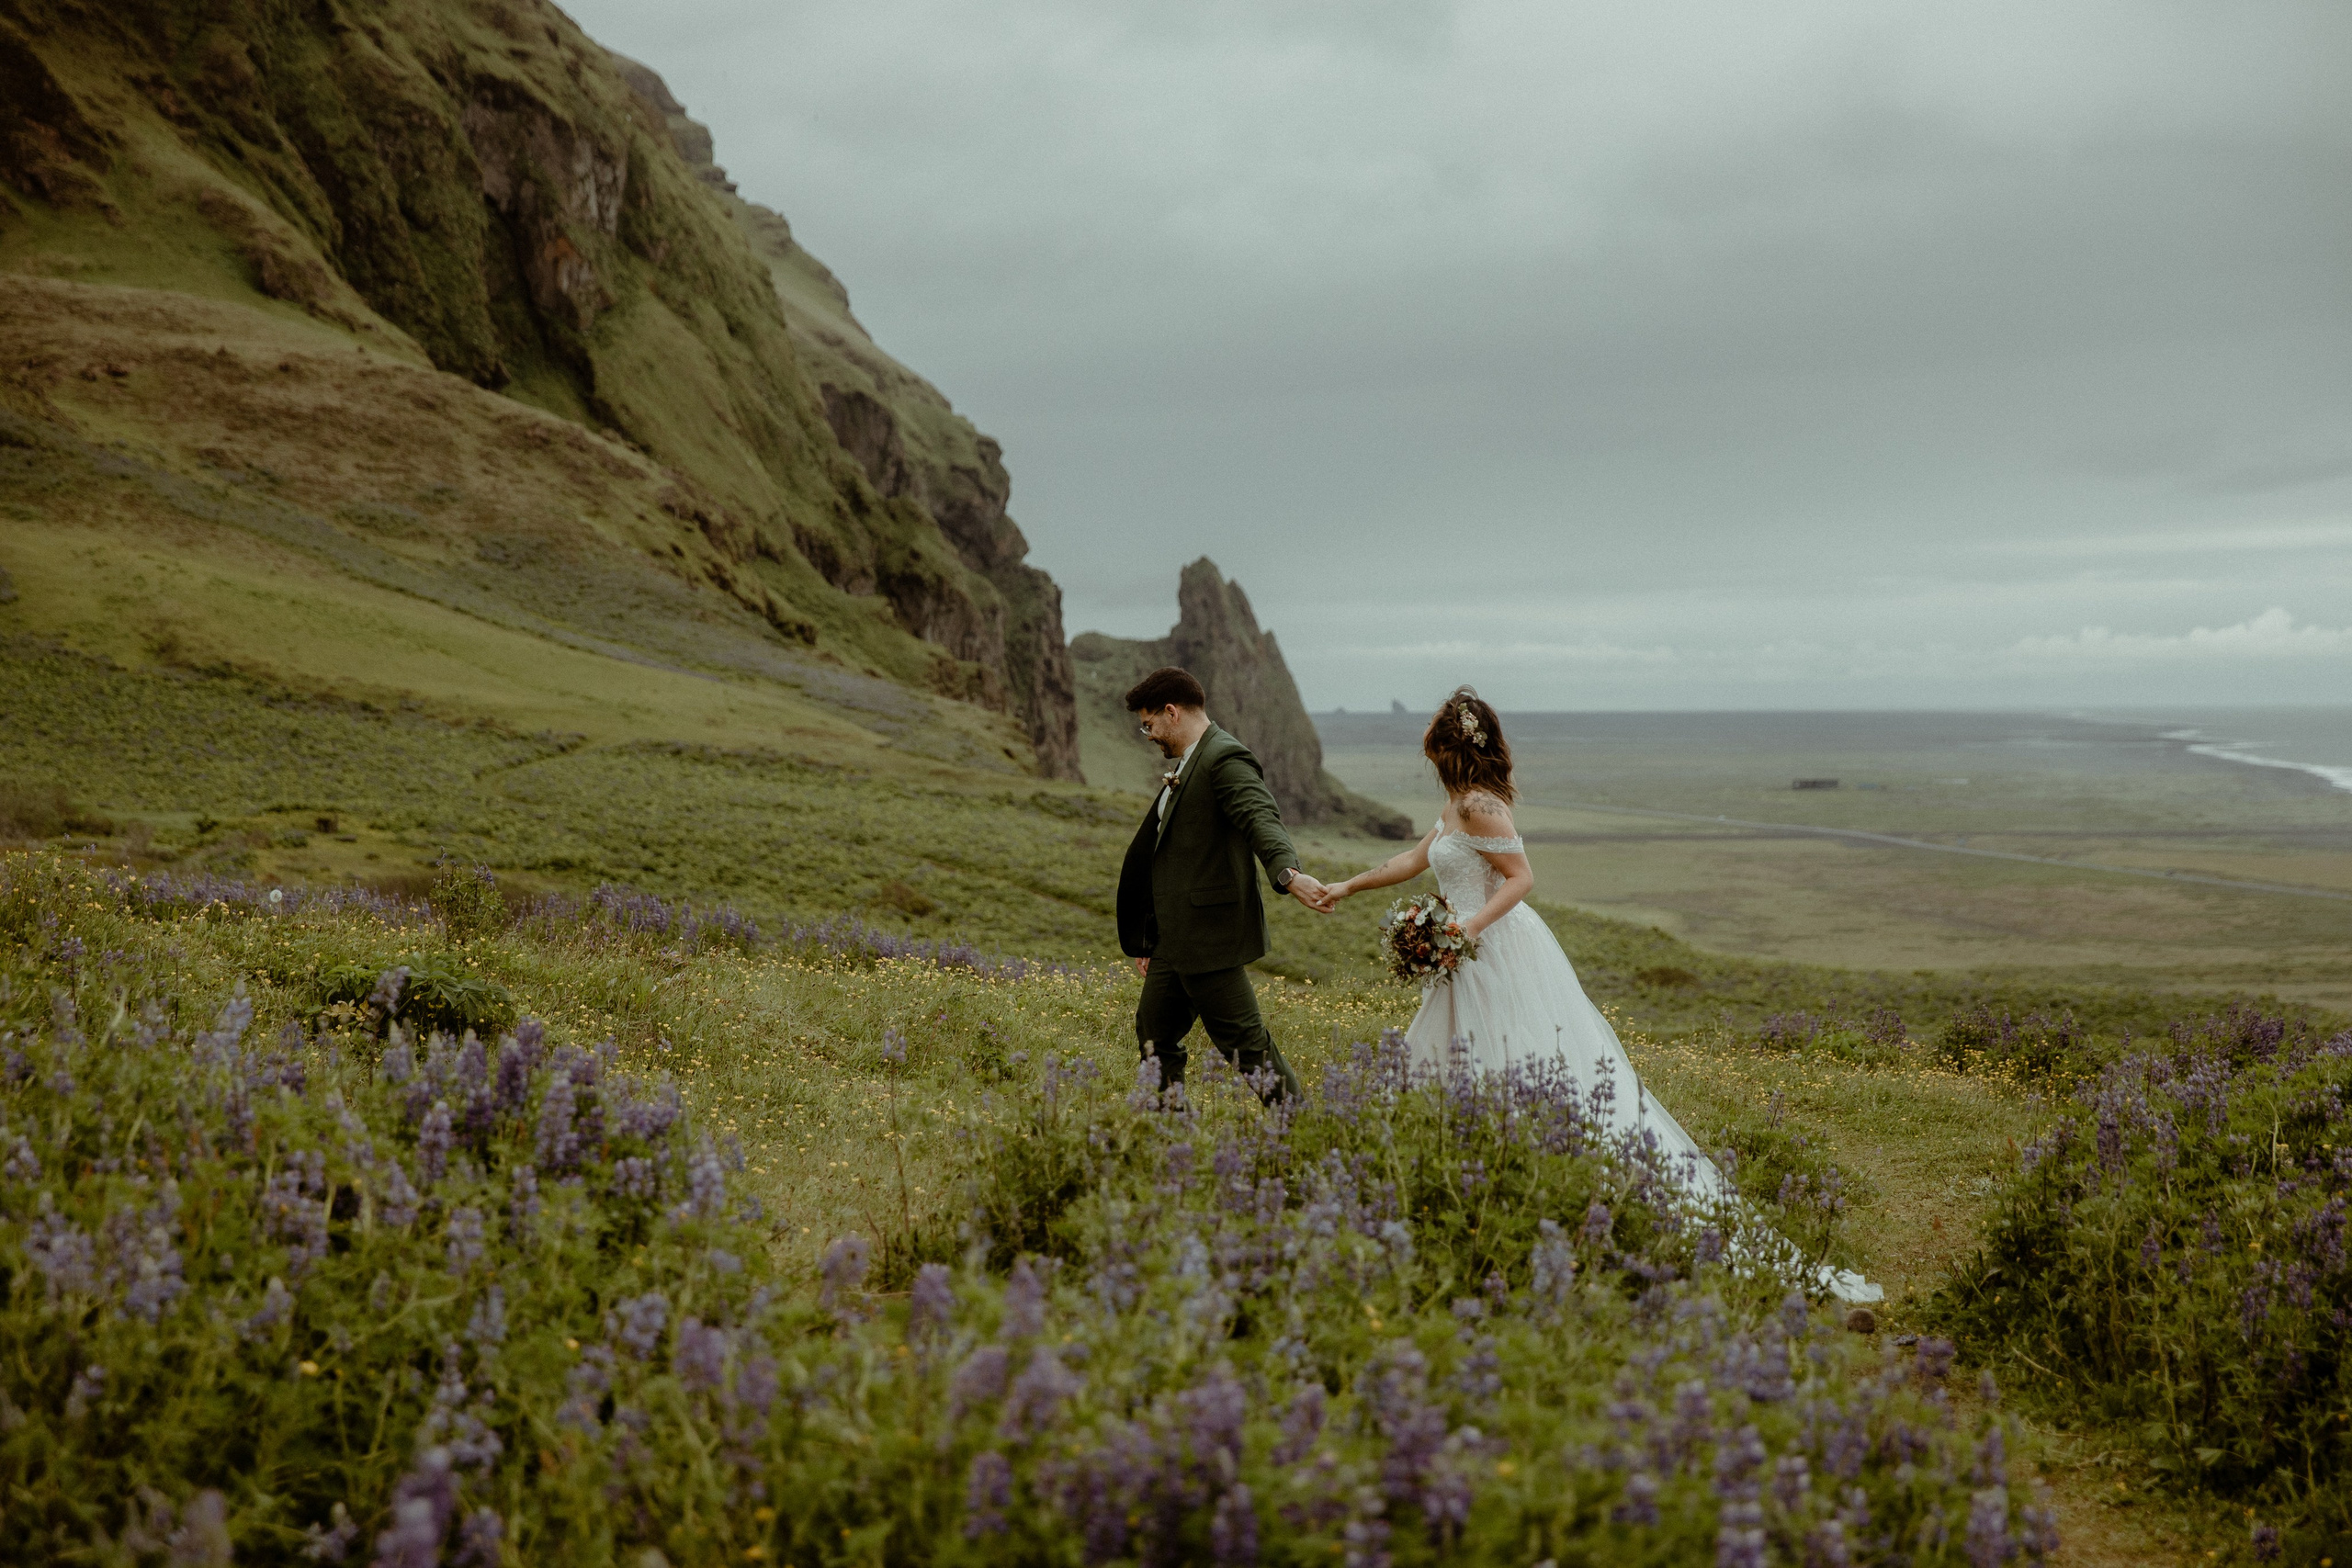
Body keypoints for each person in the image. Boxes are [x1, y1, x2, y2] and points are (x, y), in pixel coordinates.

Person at [1319, 685, 1883, 1303]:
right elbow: (1413, 859)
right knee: (1445, 1057)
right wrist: (1347, 885)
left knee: (1510, 1057)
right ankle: (1461, 1187)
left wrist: (1466, 928)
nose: (1431, 766)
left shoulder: (1482, 805)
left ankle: (1545, 1190)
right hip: (1462, 954)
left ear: (1453, 751)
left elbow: (1522, 878)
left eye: (1435, 754)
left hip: (1494, 949)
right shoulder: (1455, 805)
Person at [1116, 665, 1330, 1101]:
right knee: (1154, 1034)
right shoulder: (1190, 762)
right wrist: (1149, 933)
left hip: (1210, 938)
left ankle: (1301, 1131)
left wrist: (1288, 873)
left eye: (1149, 724)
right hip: (1174, 941)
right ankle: (1168, 1137)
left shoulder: (1224, 758)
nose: (1149, 734)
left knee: (1246, 1047)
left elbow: (1260, 818)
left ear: (1172, 712)